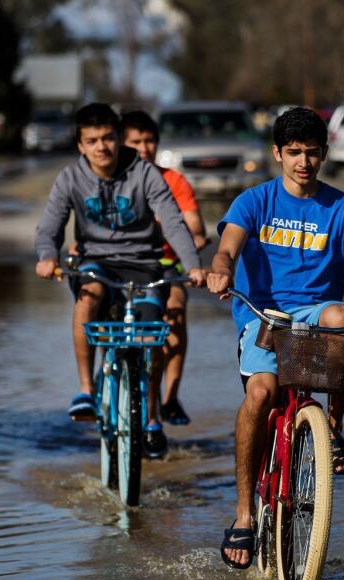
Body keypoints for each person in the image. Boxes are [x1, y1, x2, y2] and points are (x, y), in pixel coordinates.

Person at [205, 107, 344, 569]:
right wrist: (219, 270)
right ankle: (244, 514)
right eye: (293, 152)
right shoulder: (254, 201)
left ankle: (333, 430)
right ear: (277, 153)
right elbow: (227, 246)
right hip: (263, 316)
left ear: (325, 154)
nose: (303, 162)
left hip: (315, 319)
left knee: (343, 313)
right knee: (260, 393)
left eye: (312, 152)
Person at [34, 103, 206, 458]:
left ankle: (153, 416)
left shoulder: (143, 172)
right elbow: (50, 225)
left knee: (152, 332)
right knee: (88, 294)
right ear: (81, 145)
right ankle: (85, 390)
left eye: (108, 138)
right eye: (92, 140)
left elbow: (173, 221)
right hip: (96, 261)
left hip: (143, 264)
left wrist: (192, 266)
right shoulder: (70, 178)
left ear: (117, 139)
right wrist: (47, 257)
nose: (102, 147)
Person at [119, 110, 208, 426]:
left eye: (149, 141)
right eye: (135, 141)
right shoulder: (113, 180)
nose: (144, 148)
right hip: (123, 265)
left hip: (167, 265)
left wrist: (193, 242)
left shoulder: (174, 180)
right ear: (121, 143)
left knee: (176, 312)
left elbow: (195, 228)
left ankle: (169, 398)